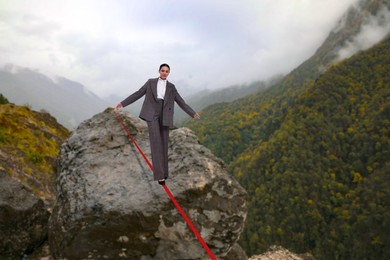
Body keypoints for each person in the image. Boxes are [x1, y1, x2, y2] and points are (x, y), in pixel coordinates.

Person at [116, 63, 200, 185]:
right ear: (159, 71)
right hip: (152, 113)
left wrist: (192, 113)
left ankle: (165, 173)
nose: (164, 72)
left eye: (167, 71)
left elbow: (181, 101)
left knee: (164, 145)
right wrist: (123, 104)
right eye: (162, 70)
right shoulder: (150, 82)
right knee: (156, 144)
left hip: (165, 114)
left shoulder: (172, 87)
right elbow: (138, 93)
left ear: (169, 73)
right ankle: (160, 176)